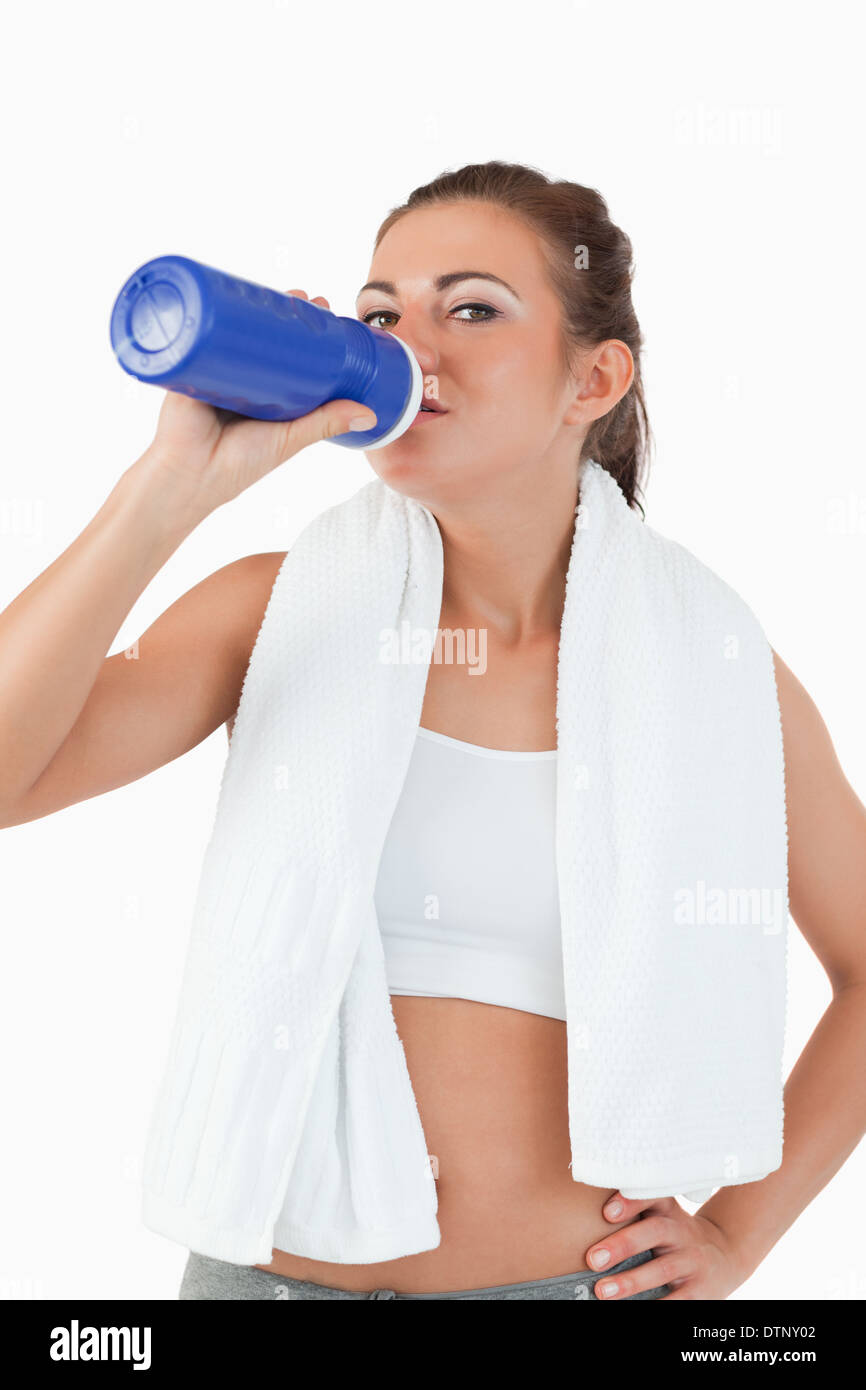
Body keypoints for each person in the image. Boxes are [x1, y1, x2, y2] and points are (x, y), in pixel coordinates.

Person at [2, 161, 864, 1302]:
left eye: (469, 308)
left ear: (592, 378)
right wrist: (171, 483)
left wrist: (739, 1235)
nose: (411, 345)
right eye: (380, 314)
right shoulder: (279, 610)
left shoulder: (709, 670)